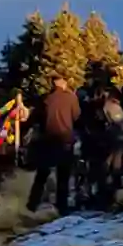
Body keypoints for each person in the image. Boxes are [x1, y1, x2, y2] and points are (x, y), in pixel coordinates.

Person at [25, 76, 81, 213]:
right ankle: (61, 206)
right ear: (63, 83)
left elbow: (35, 118)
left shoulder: (45, 99)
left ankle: (32, 204)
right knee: (63, 174)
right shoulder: (71, 98)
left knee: (42, 174)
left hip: (47, 140)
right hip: (65, 140)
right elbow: (77, 117)